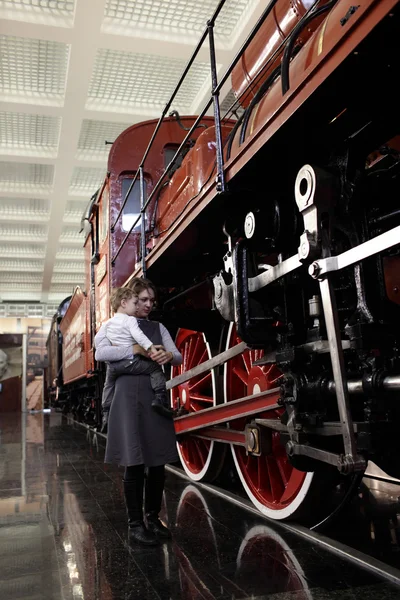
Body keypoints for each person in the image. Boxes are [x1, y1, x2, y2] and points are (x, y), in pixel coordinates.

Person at [95, 278, 182, 546]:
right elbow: (101, 352)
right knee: (134, 462)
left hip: (153, 396)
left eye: (151, 300)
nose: (147, 304)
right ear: (130, 299)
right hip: (127, 396)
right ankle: (135, 525)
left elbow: (177, 355)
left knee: (157, 462)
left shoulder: (158, 327)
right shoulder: (115, 324)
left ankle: (153, 518)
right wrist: (133, 349)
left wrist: (169, 356)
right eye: (142, 299)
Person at [94, 286, 172, 419]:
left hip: (113, 366)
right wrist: (150, 348)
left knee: (108, 385)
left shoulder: (107, 324)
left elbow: (97, 341)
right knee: (155, 368)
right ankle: (160, 398)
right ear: (123, 303)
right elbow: (139, 336)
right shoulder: (130, 320)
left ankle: (106, 413)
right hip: (130, 362)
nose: (137, 307)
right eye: (136, 303)